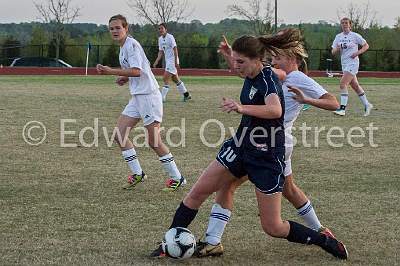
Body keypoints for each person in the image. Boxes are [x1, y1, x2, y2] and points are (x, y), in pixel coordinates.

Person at [151, 30, 348, 260]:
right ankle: (170, 243)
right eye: (235, 61)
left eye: (240, 62)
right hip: (241, 146)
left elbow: (276, 110)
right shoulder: (255, 73)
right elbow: (247, 75)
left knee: (273, 226)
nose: (236, 66)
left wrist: (242, 108)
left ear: (257, 60)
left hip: (267, 155)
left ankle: (323, 239)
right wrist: (230, 57)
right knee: (198, 193)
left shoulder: (268, 79)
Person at [96, 14, 186, 191]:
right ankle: (138, 174)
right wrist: (124, 78)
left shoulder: (132, 45)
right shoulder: (123, 47)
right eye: (111, 29)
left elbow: (137, 71)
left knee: (154, 141)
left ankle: (178, 177)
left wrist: (111, 72)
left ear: (126, 28)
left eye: (117, 28)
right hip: (137, 97)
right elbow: (138, 72)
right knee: (119, 135)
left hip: (149, 97)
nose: (114, 31)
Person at [332, 17, 373, 116]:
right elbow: (333, 52)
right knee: (355, 86)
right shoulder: (338, 37)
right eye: (342, 23)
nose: (344, 24)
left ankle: (342, 109)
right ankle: (367, 104)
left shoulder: (355, 36)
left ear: (350, 25)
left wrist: (357, 53)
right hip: (344, 64)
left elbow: (366, 45)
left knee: (343, 83)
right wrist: (337, 48)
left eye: (346, 23)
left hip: (353, 63)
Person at [153, 23, 192, 102]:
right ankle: (186, 95)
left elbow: (175, 49)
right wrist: (156, 61)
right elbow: (160, 51)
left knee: (165, 78)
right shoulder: (160, 39)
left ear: (166, 29)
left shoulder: (170, 37)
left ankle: (161, 98)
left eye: (162, 28)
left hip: (172, 60)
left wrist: (176, 61)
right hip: (168, 61)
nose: (160, 30)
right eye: (159, 29)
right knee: (175, 79)